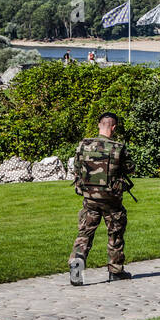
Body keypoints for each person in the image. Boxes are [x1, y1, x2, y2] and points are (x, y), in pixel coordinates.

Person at [68, 111, 135, 285]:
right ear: (113, 127)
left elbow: (76, 167)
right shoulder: (118, 147)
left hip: (89, 198)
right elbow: (130, 168)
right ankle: (115, 270)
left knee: (85, 233)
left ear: (99, 125)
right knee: (115, 233)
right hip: (111, 200)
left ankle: (77, 264)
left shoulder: (84, 145)